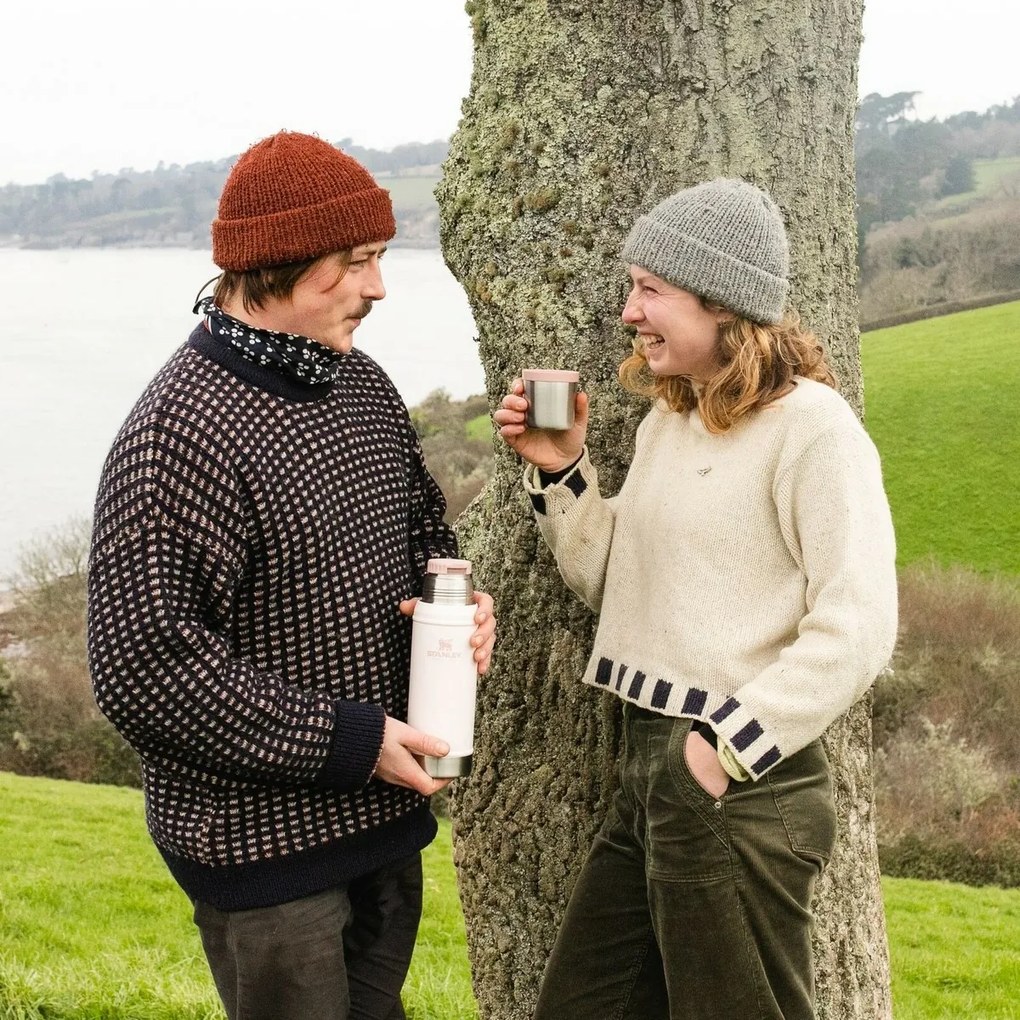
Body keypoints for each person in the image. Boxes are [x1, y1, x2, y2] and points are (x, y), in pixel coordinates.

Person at [86, 130, 496, 1020]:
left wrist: (460, 609)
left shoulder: (362, 387)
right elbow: (143, 668)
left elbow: (424, 539)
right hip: (263, 856)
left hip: (383, 825)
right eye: (354, 263)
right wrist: (349, 741)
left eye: (380, 258)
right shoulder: (178, 432)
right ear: (275, 266)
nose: (378, 287)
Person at [494, 177, 897, 1020]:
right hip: (654, 770)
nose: (629, 312)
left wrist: (721, 751)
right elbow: (620, 587)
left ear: (722, 302)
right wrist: (562, 468)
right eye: (631, 288)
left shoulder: (813, 428)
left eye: (651, 289)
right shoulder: (670, 423)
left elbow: (859, 625)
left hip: (739, 781)